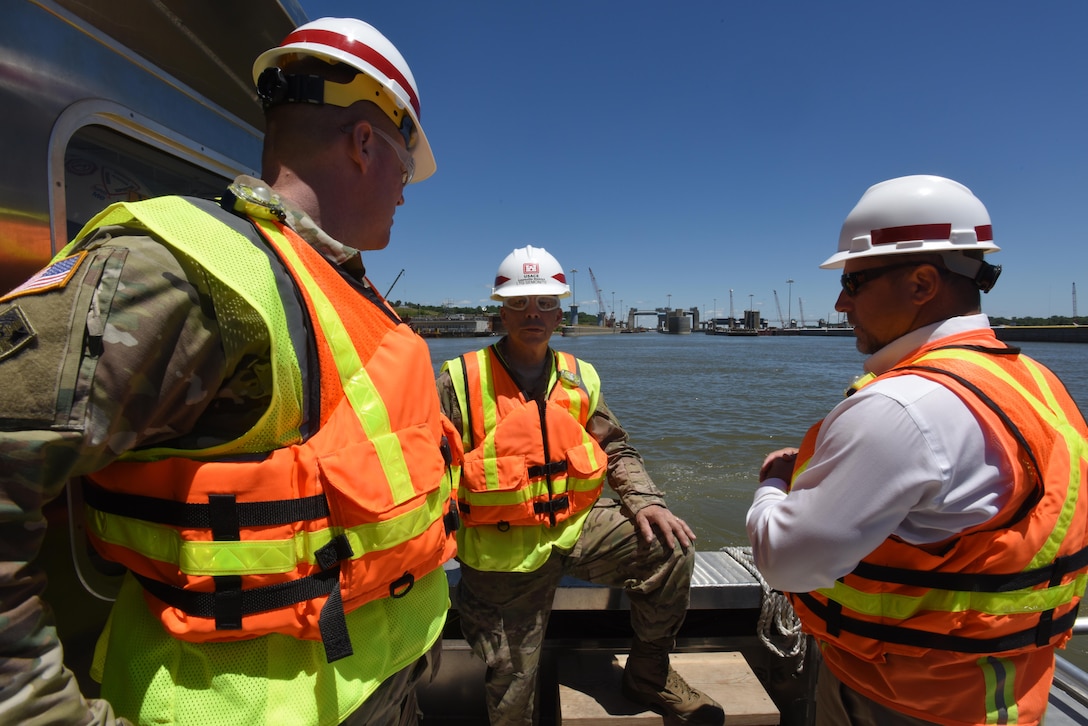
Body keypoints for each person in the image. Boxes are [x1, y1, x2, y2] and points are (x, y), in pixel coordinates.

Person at [0, 17, 461, 726]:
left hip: (388, 684)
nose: (406, 188)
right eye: (406, 162)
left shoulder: (351, 296)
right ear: (366, 143)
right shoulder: (187, 269)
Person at [746, 175, 1088, 726]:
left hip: (903, 700)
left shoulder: (903, 406)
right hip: (1006, 695)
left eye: (854, 282)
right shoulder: (1034, 382)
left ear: (924, 282)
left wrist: (774, 483)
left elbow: (786, 559)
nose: (839, 303)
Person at [435, 245, 725, 726]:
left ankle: (648, 676)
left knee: (670, 548)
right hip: (499, 556)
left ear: (560, 311)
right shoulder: (459, 379)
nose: (534, 313)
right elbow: (426, 470)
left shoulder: (580, 376)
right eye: (521, 303)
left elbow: (615, 448)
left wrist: (647, 502)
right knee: (511, 691)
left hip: (574, 529)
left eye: (546, 303)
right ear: (501, 310)